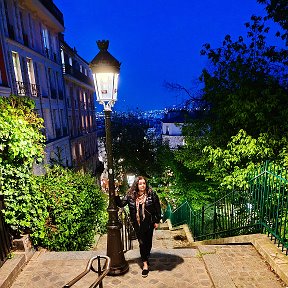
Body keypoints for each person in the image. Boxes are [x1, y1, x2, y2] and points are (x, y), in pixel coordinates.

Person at [115, 176, 161, 277]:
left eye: (144, 183)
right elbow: (121, 204)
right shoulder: (130, 195)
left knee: (148, 243)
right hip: (137, 224)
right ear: (136, 184)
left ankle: (146, 256)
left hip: (149, 223)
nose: (142, 185)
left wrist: (157, 221)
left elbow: (157, 208)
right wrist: (115, 195)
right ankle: (145, 264)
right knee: (141, 242)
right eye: (140, 183)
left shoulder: (151, 194)